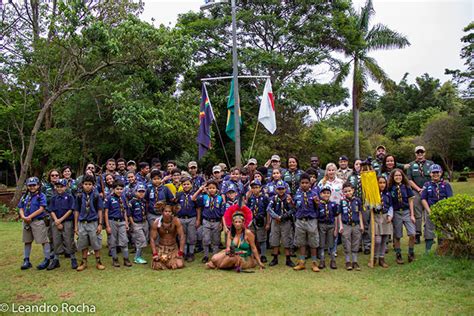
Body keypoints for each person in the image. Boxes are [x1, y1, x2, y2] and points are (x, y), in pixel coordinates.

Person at [18, 177, 51, 270]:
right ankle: (26, 259)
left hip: (38, 221)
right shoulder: (25, 196)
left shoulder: (41, 195)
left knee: (44, 241)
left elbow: (42, 208)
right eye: (30, 185)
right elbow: (20, 207)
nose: (32, 187)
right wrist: (23, 216)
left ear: (38, 185)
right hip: (26, 222)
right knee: (27, 241)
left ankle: (47, 259)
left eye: (34, 185)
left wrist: (30, 217)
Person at [74, 175, 105, 271]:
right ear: (82, 185)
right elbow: (76, 211)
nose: (87, 186)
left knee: (96, 242)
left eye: (90, 184)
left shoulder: (96, 196)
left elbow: (100, 210)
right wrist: (76, 226)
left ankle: (98, 261)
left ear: (93, 185)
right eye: (86, 184)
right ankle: (84, 262)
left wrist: (100, 224)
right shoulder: (79, 196)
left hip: (93, 222)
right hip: (82, 223)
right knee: (83, 243)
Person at [421, 164, 453, 253]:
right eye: (433, 172)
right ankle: (428, 251)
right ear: (430, 174)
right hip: (430, 210)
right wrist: (429, 211)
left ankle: (442, 250)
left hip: (443, 211)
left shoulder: (446, 185)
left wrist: (445, 210)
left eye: (437, 172)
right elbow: (423, 199)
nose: (435, 174)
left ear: (441, 173)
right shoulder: (427, 185)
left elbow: (450, 198)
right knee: (429, 230)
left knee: (443, 231)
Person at [47, 179, 77, 270]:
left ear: (66, 187)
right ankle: (56, 260)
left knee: (68, 239)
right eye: (58, 187)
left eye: (62, 187)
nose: (59, 188)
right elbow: (51, 210)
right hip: (55, 222)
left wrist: (61, 220)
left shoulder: (69, 197)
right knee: (56, 240)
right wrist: (56, 220)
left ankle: (73, 258)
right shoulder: (53, 198)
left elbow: (71, 209)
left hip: (67, 221)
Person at [293, 174, 320, 272]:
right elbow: (295, 207)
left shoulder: (314, 194)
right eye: (302, 183)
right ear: (300, 184)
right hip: (300, 221)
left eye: (306, 183)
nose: (304, 185)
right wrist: (291, 203)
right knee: (301, 242)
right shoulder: (297, 195)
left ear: (310, 184)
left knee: (313, 243)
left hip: (311, 221)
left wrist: (317, 203)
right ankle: (302, 262)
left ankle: (314, 263)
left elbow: (319, 208)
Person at [407, 146, 434, 244]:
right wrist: (418, 189)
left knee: (429, 213)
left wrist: (426, 189)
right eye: (418, 152)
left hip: (429, 191)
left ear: (425, 153)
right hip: (416, 191)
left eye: (421, 152)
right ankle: (417, 235)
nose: (420, 154)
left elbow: (434, 176)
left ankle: (429, 236)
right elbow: (409, 180)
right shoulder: (411, 165)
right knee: (417, 214)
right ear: (415, 154)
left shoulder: (431, 164)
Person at [192, 180, 224, 263]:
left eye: (213, 188)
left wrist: (221, 223)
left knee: (216, 240)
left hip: (216, 221)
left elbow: (222, 212)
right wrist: (200, 189)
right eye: (209, 188)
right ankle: (206, 256)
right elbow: (193, 198)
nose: (211, 190)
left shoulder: (220, 198)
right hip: (206, 221)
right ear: (207, 189)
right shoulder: (204, 197)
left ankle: (215, 257)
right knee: (206, 239)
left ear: (217, 189)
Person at [388, 168, 416, 264]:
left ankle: (411, 253)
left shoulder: (406, 187)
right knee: (397, 235)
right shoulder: (390, 188)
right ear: (392, 177)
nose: (398, 177)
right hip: (396, 213)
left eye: (399, 175)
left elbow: (410, 200)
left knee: (412, 233)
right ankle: (398, 254)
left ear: (402, 176)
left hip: (406, 211)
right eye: (396, 175)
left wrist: (412, 214)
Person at [267, 180, 295, 267]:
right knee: (275, 239)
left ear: (285, 189)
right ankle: (275, 258)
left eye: (282, 189)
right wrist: (276, 216)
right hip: (276, 221)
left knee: (286, 240)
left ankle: (288, 259)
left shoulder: (288, 198)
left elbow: (292, 209)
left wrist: (283, 216)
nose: (281, 190)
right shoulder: (273, 198)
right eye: (279, 189)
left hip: (285, 221)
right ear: (276, 189)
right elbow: (268, 209)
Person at [105, 180, 132, 267]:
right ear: (113, 189)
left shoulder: (123, 198)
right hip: (112, 221)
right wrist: (107, 226)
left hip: (122, 222)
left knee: (124, 240)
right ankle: (115, 259)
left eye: (121, 189)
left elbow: (124, 211)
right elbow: (106, 212)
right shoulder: (109, 198)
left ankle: (126, 259)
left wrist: (126, 223)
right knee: (113, 241)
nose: (119, 191)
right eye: (117, 189)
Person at [150, 205, 185, 270]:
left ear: (172, 213)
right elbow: (152, 239)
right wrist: (154, 253)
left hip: (173, 248)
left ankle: (169, 261)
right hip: (161, 247)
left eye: (169, 211)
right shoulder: (157, 222)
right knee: (157, 266)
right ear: (162, 212)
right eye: (166, 211)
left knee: (180, 264)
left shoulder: (176, 221)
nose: (167, 213)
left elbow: (182, 236)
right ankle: (164, 261)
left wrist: (180, 252)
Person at [339, 182, 364, 271]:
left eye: (349, 191)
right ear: (343, 192)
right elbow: (339, 214)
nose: (348, 193)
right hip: (346, 225)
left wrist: (361, 225)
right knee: (346, 242)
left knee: (356, 242)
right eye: (345, 191)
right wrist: (341, 226)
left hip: (356, 225)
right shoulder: (342, 202)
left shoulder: (357, 201)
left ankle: (355, 261)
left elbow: (360, 213)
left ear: (353, 190)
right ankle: (348, 261)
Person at [176, 177, 201, 262]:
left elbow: (198, 208)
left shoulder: (194, 194)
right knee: (183, 236)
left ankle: (191, 253)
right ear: (182, 185)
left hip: (191, 218)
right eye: (184, 184)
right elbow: (175, 206)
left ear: (191, 185)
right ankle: (184, 252)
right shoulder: (179, 194)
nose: (186, 186)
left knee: (191, 236)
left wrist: (198, 220)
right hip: (181, 219)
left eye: (188, 184)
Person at [246, 179, 269, 263]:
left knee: (262, 238)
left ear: (260, 188)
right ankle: (253, 255)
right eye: (253, 187)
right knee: (252, 238)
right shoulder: (250, 198)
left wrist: (268, 223)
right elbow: (247, 210)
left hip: (261, 219)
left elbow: (268, 211)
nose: (255, 189)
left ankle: (263, 255)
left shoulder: (264, 198)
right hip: (252, 220)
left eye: (257, 187)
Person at [372, 176, 393, 268]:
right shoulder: (373, 194)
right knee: (378, 240)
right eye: (380, 183)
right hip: (376, 218)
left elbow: (391, 206)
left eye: (384, 183)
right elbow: (369, 206)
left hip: (385, 217)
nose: (382, 185)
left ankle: (382, 258)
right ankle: (375, 257)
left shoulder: (388, 194)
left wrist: (390, 215)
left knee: (384, 238)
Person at [316, 186, 339, 270]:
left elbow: (336, 216)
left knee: (331, 243)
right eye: (324, 193)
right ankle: (322, 261)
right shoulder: (318, 205)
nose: (326, 195)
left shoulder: (333, 204)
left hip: (331, 225)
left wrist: (336, 228)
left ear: (330, 194)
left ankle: (333, 260)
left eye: (328, 193)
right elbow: (316, 217)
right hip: (321, 225)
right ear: (320, 194)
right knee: (321, 244)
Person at [128, 184, 148, 264]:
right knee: (141, 240)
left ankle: (139, 255)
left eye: (143, 192)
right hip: (136, 223)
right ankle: (137, 257)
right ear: (135, 192)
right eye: (139, 191)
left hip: (144, 222)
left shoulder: (143, 201)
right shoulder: (132, 202)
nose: (141, 193)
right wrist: (133, 224)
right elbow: (129, 214)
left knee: (143, 240)